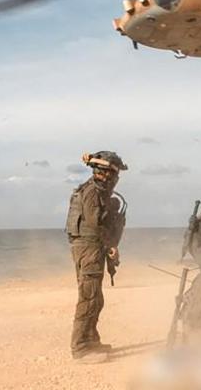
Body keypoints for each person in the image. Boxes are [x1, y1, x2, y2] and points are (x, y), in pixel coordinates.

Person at [64, 150, 128, 363]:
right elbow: (95, 222)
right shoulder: (92, 192)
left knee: (96, 298)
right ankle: (81, 348)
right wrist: (111, 243)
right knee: (89, 296)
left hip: (93, 246)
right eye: (113, 173)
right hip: (89, 247)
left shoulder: (97, 191)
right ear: (105, 173)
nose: (115, 179)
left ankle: (91, 340)